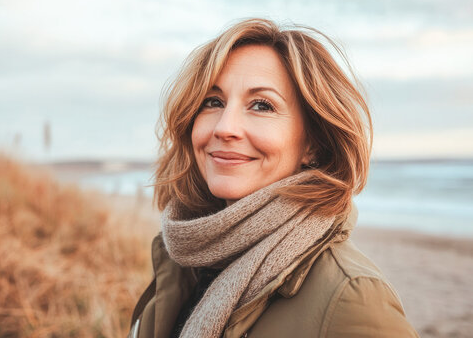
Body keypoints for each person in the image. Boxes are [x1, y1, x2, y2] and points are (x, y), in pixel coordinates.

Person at [129, 18, 418, 338]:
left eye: (261, 105)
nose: (225, 127)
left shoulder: (352, 298)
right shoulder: (184, 261)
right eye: (214, 102)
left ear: (313, 143)